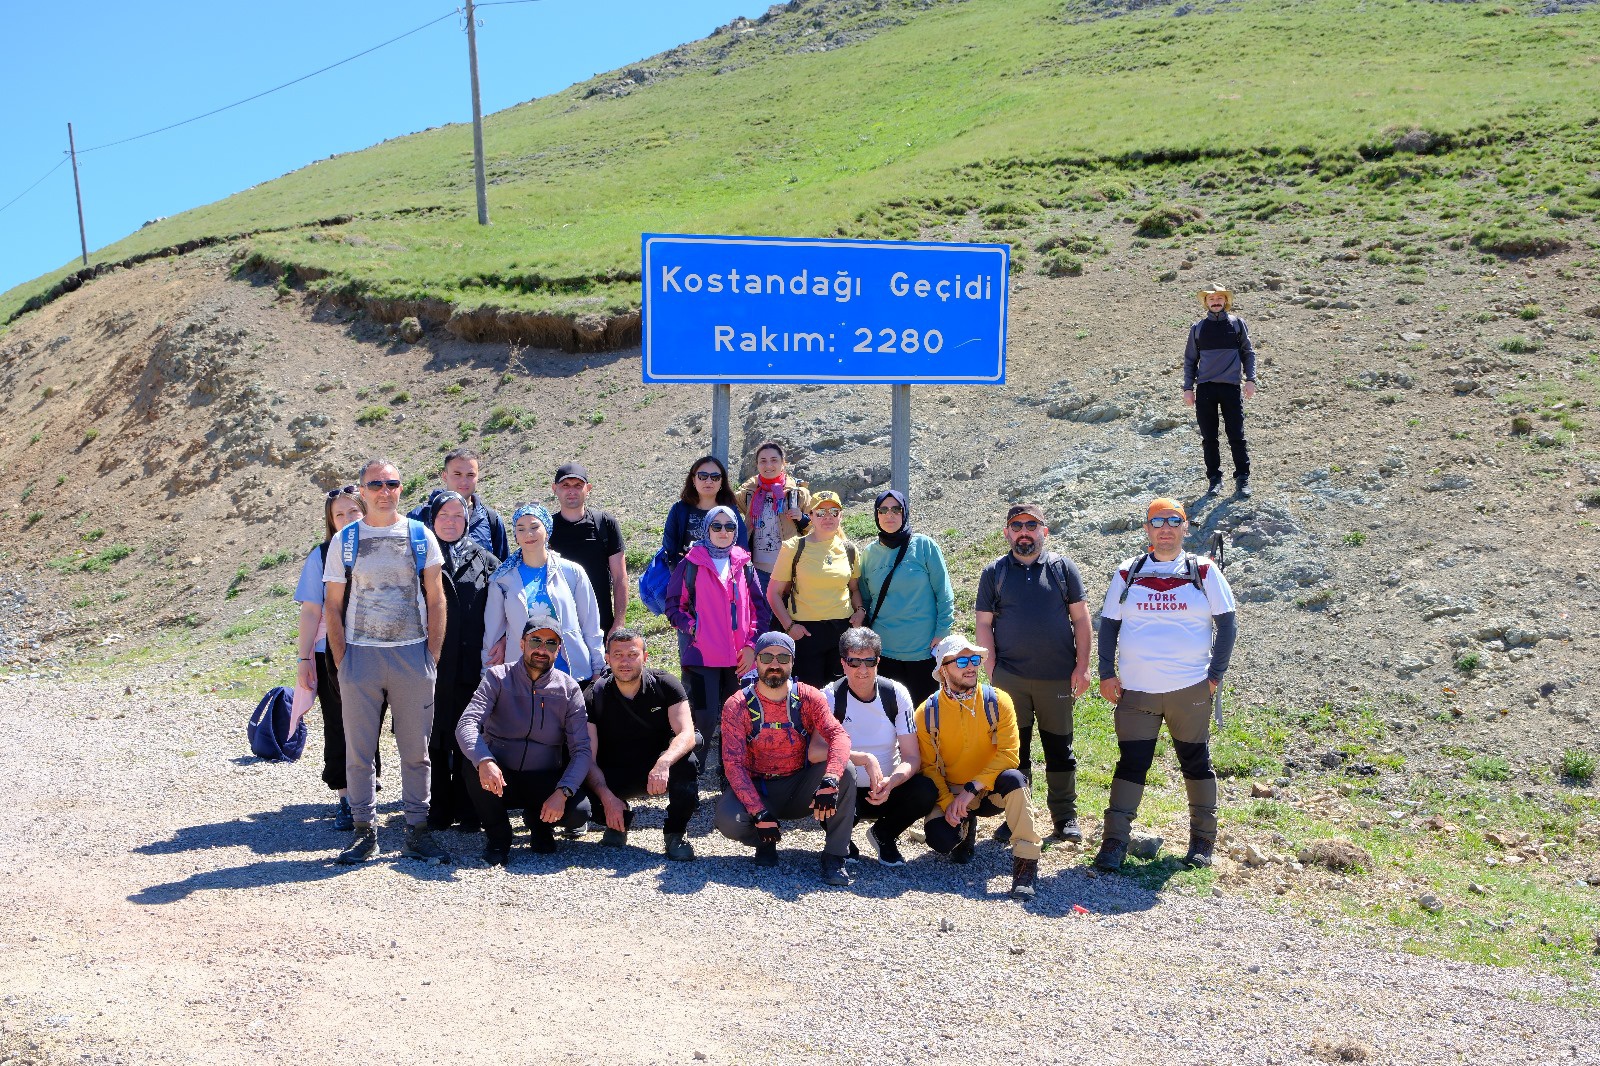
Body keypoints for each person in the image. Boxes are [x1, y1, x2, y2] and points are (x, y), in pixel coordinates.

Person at [1095, 497, 1239, 872]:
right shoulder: (1127, 572)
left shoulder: (1204, 571)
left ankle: (1203, 840)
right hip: (1137, 691)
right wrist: (1106, 673)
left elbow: (1228, 625)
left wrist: (1214, 677)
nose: (1165, 528)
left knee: (1195, 762)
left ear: (1185, 527)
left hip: (1189, 687)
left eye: (1173, 521)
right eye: (1157, 522)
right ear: (1147, 529)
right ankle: (1114, 842)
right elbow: (1109, 625)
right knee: (1132, 763)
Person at [323, 458, 449, 866]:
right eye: (375, 483)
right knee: (359, 751)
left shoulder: (419, 534)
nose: (384, 489)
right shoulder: (346, 539)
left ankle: (417, 830)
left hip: (412, 654)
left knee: (416, 750)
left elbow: (436, 597)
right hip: (360, 656)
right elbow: (332, 603)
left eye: (391, 483)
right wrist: (343, 659)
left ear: (400, 488)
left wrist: (431, 654)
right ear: (361, 489)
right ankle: (364, 832)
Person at [974, 503, 1092, 843]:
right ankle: (1016, 817)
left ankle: (1064, 817)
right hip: (1010, 679)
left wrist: (1082, 668)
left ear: (1044, 531)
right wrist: (991, 667)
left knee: (1059, 749)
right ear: (1007, 533)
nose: (1024, 532)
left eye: (1031, 525)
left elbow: (1081, 619)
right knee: (1015, 751)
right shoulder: (994, 572)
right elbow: (984, 624)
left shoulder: (1061, 569)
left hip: (1057, 677)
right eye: (1017, 526)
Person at [714, 632, 857, 886]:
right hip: (759, 787)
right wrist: (758, 812)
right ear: (756, 661)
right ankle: (765, 840)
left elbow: (839, 736)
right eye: (767, 656)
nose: (775, 664)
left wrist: (831, 780)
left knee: (846, 770)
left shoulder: (809, 697)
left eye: (783, 657)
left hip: (800, 785)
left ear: (792, 662)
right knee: (727, 821)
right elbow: (733, 764)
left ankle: (835, 856)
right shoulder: (737, 705)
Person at [457, 609, 594, 865]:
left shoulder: (569, 689)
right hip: (501, 775)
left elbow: (582, 750)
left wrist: (563, 792)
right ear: (521, 644)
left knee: (579, 813)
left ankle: (540, 823)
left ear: (559, 649)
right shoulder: (496, 677)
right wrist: (484, 760)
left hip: (544, 778)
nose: (542, 649)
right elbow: (466, 724)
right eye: (535, 641)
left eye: (550, 643)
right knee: (471, 766)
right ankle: (499, 837)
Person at [917, 634, 1041, 901]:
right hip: (953, 791)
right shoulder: (926, 713)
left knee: (1016, 780)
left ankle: (1026, 864)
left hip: (989, 789)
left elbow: (1009, 755)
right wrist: (951, 803)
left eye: (975, 659)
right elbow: (928, 768)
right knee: (940, 840)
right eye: (961, 661)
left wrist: (971, 789)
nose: (971, 666)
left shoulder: (999, 701)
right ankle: (964, 828)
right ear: (943, 669)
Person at [293, 484, 377, 830]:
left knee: (370, 725)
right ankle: (345, 797)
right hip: (332, 651)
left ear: (365, 511)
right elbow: (312, 611)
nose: (346, 519)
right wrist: (302, 661)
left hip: (377, 647)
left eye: (352, 512)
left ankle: (368, 792)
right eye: (338, 514)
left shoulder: (383, 546)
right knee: (340, 723)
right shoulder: (323, 553)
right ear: (331, 520)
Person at [664, 504, 769, 781]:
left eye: (730, 526)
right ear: (707, 529)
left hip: (740, 659)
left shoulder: (744, 564)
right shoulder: (691, 563)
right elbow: (674, 606)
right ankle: (689, 777)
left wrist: (751, 646)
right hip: (702, 658)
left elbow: (760, 609)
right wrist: (694, 627)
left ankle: (731, 774)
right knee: (704, 719)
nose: (724, 532)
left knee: (737, 721)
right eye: (717, 526)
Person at [818, 627, 938, 867]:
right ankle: (841, 839)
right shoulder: (829, 696)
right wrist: (863, 759)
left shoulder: (896, 694)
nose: (862, 670)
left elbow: (912, 757)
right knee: (823, 787)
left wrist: (891, 781)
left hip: (887, 788)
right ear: (843, 663)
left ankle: (884, 834)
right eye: (854, 662)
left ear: (878, 662)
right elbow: (816, 751)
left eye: (869, 661)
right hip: (846, 791)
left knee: (926, 790)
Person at [581, 630, 700, 861]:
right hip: (614, 771)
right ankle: (616, 820)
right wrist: (607, 797)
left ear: (645, 657)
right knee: (579, 780)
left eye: (632, 654)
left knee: (688, 762)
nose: (624, 661)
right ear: (607, 658)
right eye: (617, 654)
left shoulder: (666, 684)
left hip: (657, 767)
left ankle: (675, 833)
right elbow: (588, 756)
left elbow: (687, 734)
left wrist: (664, 762)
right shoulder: (594, 695)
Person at [423, 489, 500, 832]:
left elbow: (504, 611)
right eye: (444, 516)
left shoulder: (486, 561)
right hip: (431, 666)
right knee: (434, 740)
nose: (450, 522)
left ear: (467, 521)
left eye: (457, 516)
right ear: (431, 519)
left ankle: (471, 808)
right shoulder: (417, 557)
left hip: (473, 666)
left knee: (471, 736)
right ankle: (437, 808)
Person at [482, 503, 605, 683]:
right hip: (523, 678)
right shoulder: (501, 580)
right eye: (521, 529)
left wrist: (598, 667)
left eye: (534, 527)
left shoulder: (573, 572)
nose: (528, 534)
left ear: (547, 530)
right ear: (515, 536)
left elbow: (590, 624)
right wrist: (488, 678)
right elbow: (492, 635)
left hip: (572, 674)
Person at [858, 490, 953, 705]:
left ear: (905, 513)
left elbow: (944, 593)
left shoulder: (924, 546)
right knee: (891, 717)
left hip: (923, 650)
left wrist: (942, 632)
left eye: (896, 509)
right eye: (883, 510)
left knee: (924, 718)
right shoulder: (869, 554)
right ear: (876, 515)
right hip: (884, 651)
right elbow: (864, 600)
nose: (889, 515)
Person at [765, 491, 864, 690]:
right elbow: (773, 593)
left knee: (840, 694)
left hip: (841, 632)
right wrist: (790, 627)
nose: (828, 517)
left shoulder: (849, 550)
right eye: (821, 512)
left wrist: (860, 611)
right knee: (809, 697)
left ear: (841, 516)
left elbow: (854, 589)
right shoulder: (793, 547)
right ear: (810, 515)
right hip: (806, 633)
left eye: (834, 512)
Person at [1183, 283, 1259, 498]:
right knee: (1209, 437)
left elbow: (1248, 353)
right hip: (1205, 388)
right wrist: (1188, 388)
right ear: (1205, 302)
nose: (1215, 301)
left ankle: (1242, 479)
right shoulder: (1197, 328)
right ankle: (1214, 480)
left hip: (1231, 387)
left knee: (1236, 435)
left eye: (1219, 298)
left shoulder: (1237, 324)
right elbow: (1190, 360)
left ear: (1225, 300)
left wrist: (1250, 379)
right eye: (1211, 298)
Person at [546, 462, 628, 638]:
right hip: (559, 625)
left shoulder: (605, 523)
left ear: (588, 488)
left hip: (601, 623)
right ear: (555, 489)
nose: (572, 491)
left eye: (578, 485)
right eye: (565, 485)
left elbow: (619, 576)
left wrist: (619, 623)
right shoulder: (546, 529)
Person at [733, 440, 811, 596]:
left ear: (784, 463)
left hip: (790, 569)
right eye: (763, 461)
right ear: (757, 465)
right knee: (762, 617)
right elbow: (729, 511)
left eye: (774, 460)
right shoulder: (748, 492)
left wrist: (801, 518)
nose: (768, 465)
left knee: (789, 616)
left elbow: (815, 526)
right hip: (757, 568)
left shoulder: (798, 493)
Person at [406, 447, 510, 557]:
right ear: (445, 476)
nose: (464, 481)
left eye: (470, 475)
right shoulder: (419, 517)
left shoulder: (491, 519)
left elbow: (502, 568)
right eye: (457, 474)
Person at [661, 455, 747, 570]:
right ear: (693, 479)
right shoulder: (679, 510)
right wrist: (679, 576)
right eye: (703, 476)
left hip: (722, 579)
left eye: (715, 477)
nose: (709, 481)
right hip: (687, 578)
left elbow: (741, 547)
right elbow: (669, 548)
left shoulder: (730, 511)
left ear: (722, 481)